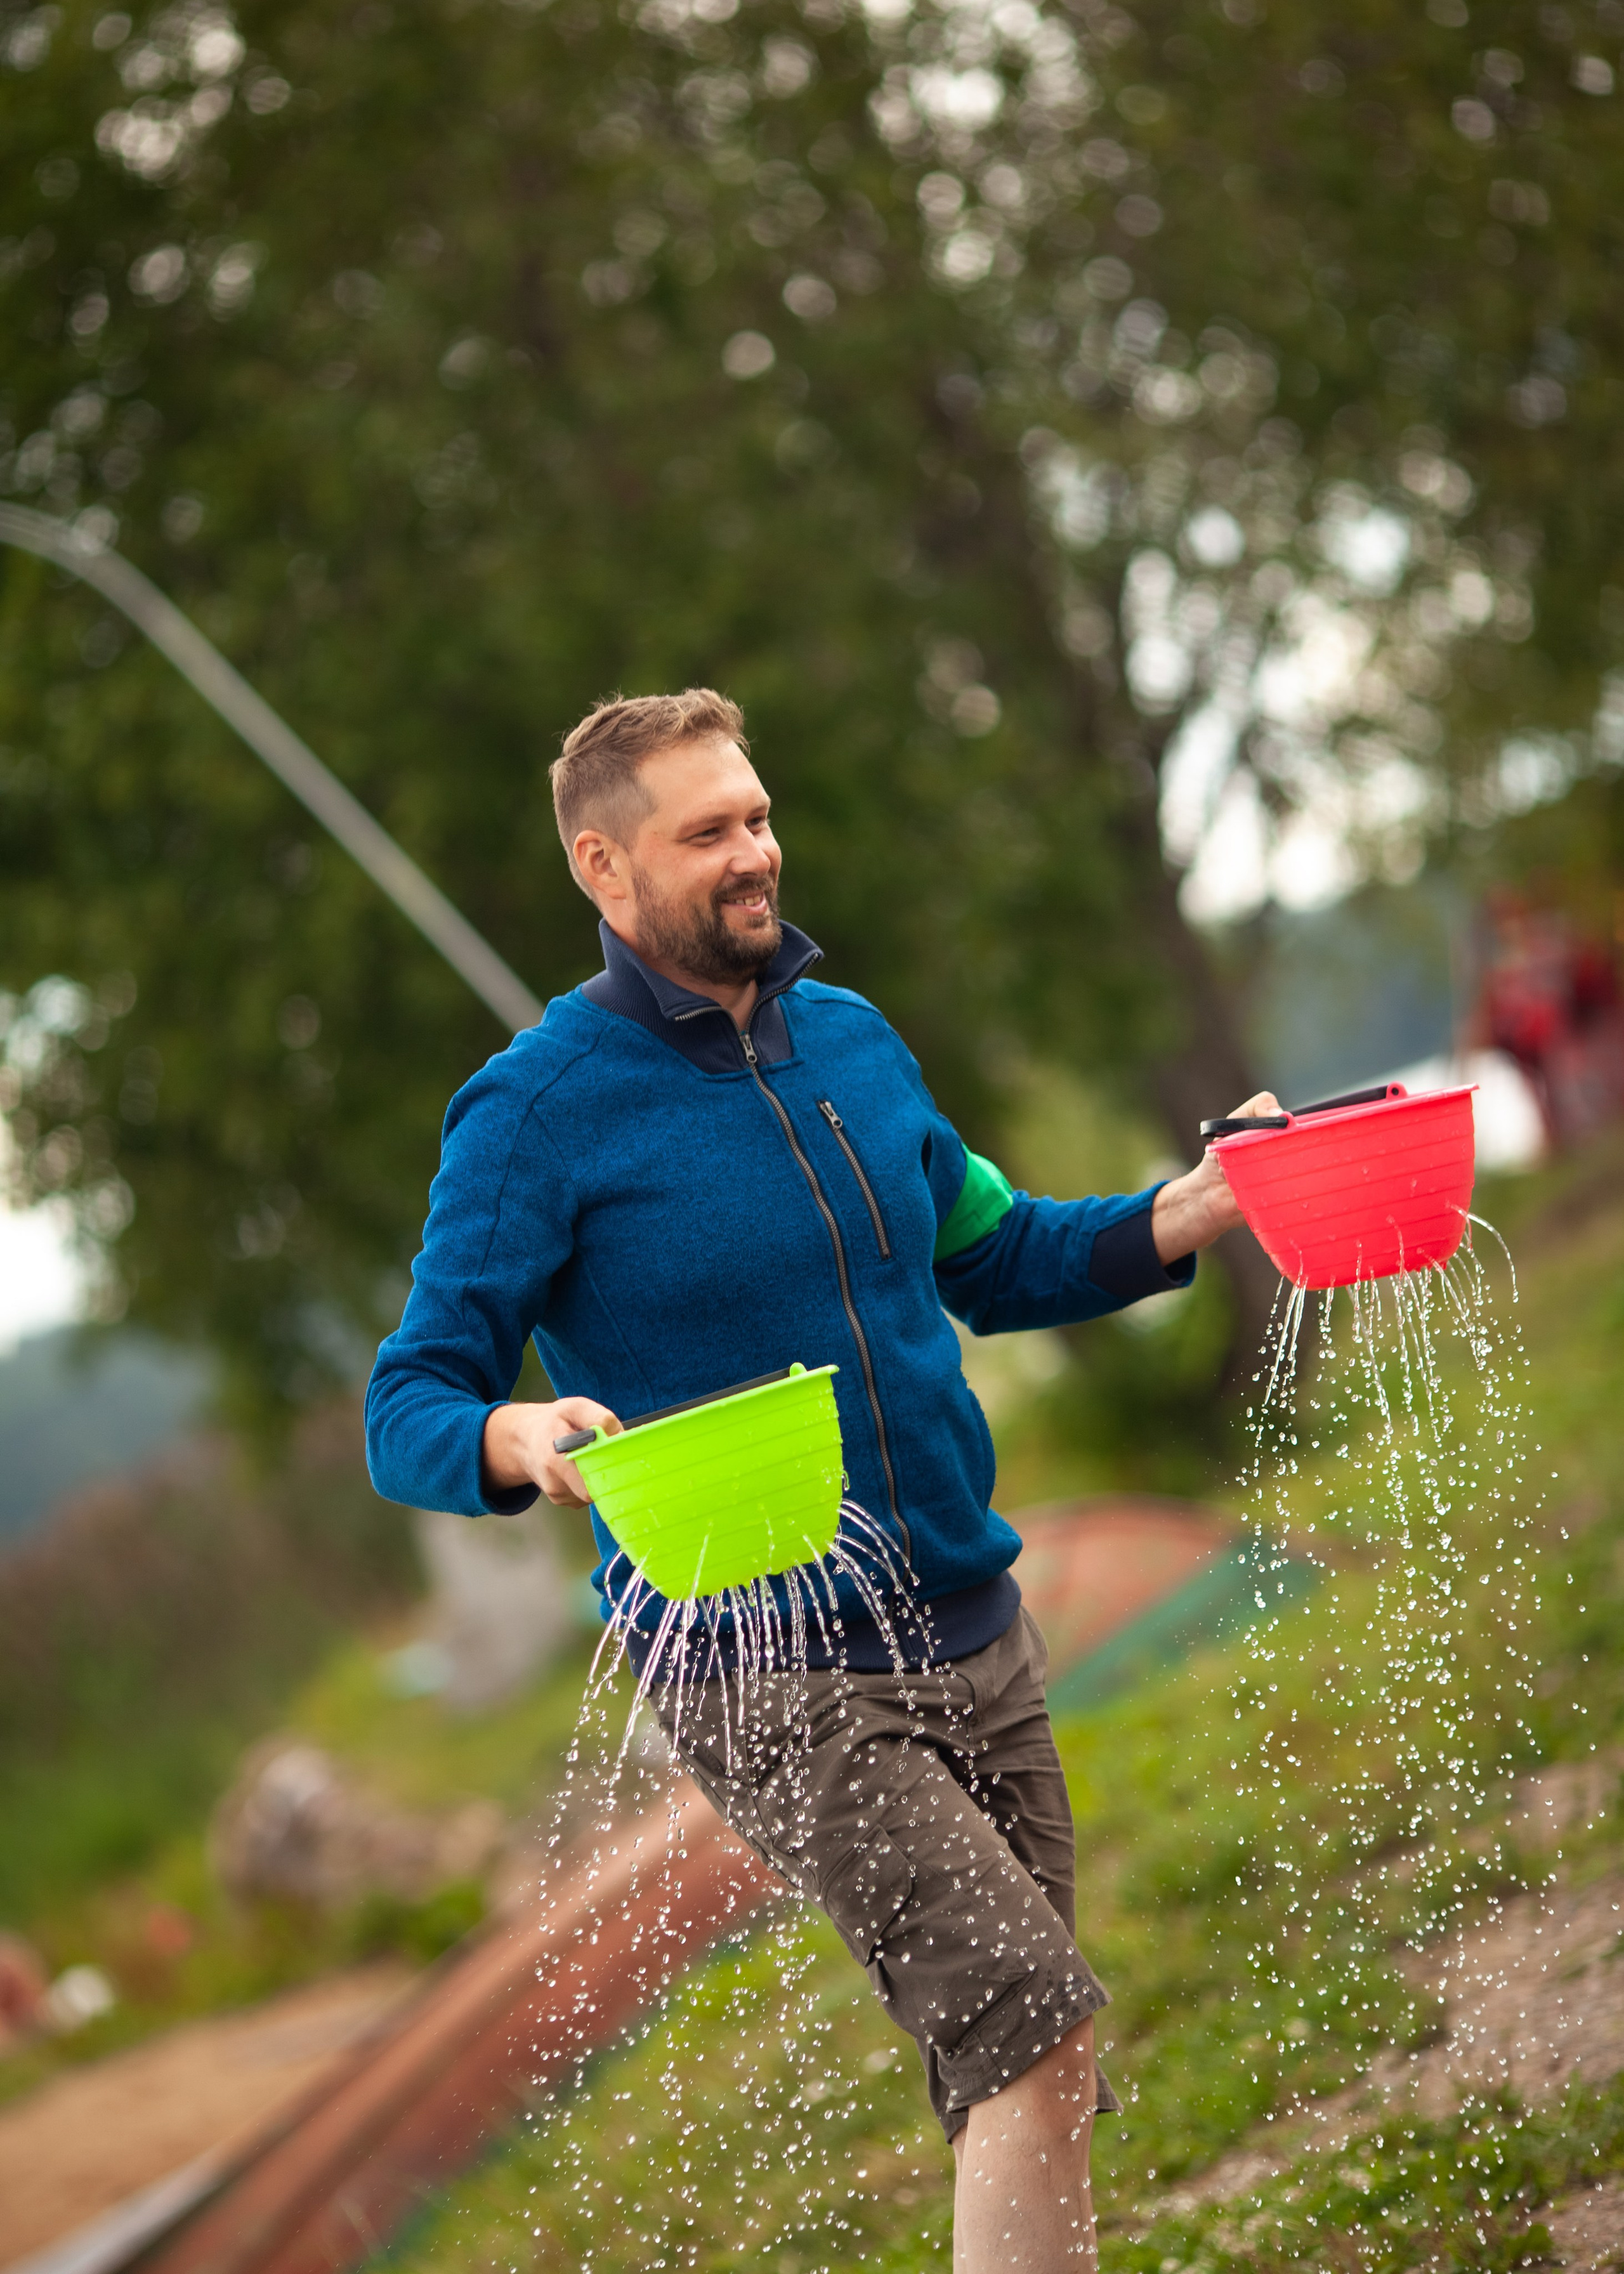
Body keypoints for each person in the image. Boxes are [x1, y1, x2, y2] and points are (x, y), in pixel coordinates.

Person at [365, 689, 1277, 2271]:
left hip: (968, 1618)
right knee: (1031, 2039)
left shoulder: (857, 1042)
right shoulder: (531, 1109)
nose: (753, 852)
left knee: (1034, 2067)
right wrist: (515, 1439)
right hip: (757, 1651)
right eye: (705, 830)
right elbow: (410, 1397)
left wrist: (1179, 1211)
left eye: (758, 815)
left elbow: (990, 1252)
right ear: (602, 865)